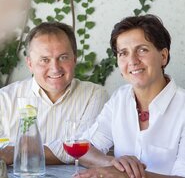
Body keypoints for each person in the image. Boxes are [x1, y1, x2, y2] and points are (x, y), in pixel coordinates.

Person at [75, 14, 185, 178]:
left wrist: (129, 176)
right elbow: (83, 150)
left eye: (142, 50)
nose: (132, 61)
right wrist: (113, 164)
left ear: (163, 56)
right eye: (123, 53)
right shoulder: (119, 99)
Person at [0, 22, 109, 165]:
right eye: (44, 60)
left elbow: (86, 148)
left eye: (63, 57)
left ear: (74, 59)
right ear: (30, 64)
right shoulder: (4, 99)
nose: (55, 68)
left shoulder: (94, 95)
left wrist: (16, 152)